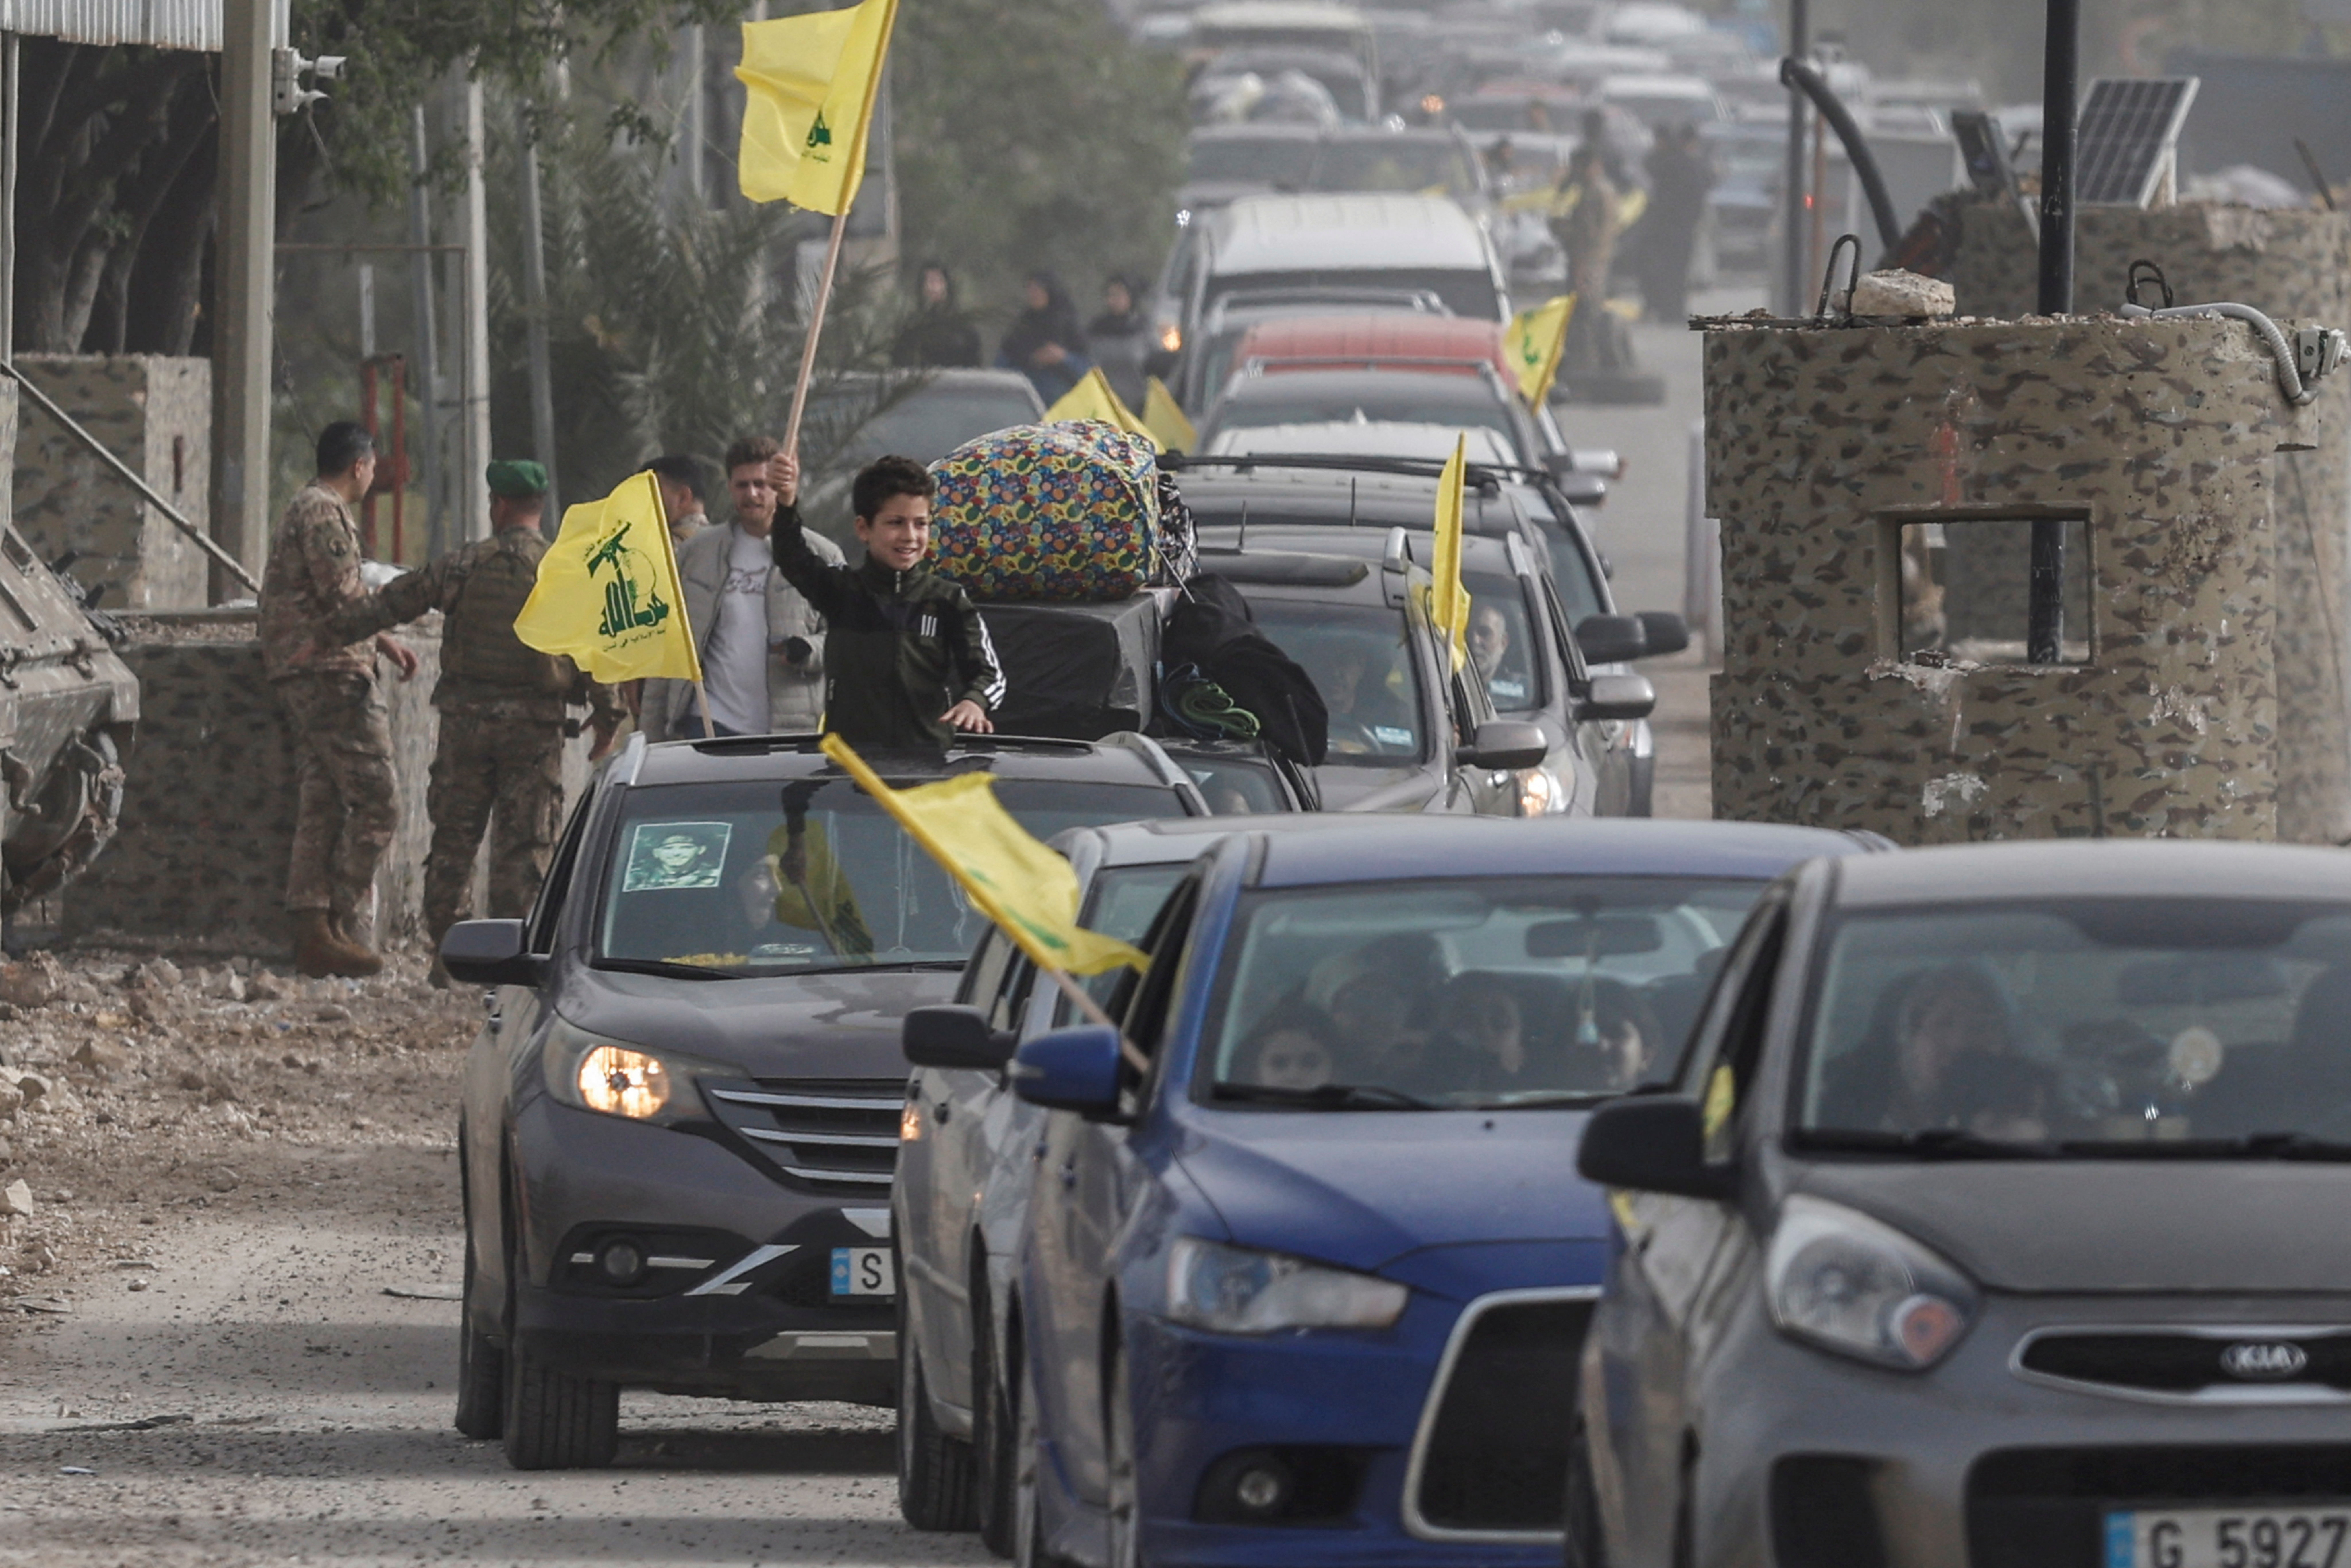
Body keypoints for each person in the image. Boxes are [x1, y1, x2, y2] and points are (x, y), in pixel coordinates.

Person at [326, 461, 621, 980]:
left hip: (466, 726)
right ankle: (511, 961)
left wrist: (332, 629)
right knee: (526, 845)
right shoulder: (568, 570)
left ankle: (450, 953)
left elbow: (398, 599)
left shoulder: (465, 564)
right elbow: (596, 647)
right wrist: (608, 714)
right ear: (540, 507)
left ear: (498, 505)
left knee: (455, 842)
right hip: (535, 729)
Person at [258, 421, 418, 979]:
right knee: (380, 802)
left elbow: (330, 601)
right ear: (360, 466)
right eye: (373, 466)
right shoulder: (324, 512)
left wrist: (382, 641)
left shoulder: (307, 507)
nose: (374, 475)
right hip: (327, 671)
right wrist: (400, 602)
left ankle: (312, 931)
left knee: (322, 798)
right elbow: (344, 599)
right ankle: (342, 920)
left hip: (307, 665)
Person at [766, 450, 1006, 749]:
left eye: (920, 524)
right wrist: (787, 502)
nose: (910, 536)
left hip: (928, 768)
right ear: (863, 529)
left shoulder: (947, 600)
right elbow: (790, 555)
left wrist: (975, 701)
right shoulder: (841, 592)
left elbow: (989, 673)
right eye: (896, 523)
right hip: (850, 767)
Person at [643, 436, 842, 741]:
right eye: (742, 485)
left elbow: (847, 640)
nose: (752, 494)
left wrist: (809, 650)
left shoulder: (821, 555)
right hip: (708, 725)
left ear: (779, 486)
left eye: (762, 484)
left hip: (788, 731)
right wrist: (650, 736)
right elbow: (668, 645)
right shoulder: (697, 553)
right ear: (729, 487)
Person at [1817, 965, 2018, 1131]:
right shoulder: (1841, 1121)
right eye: (1943, 1024)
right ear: (1907, 1042)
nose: (1959, 1044)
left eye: (1980, 1027)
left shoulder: (2038, 1110)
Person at [1638, 123, 1716, 323]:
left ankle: (1667, 309)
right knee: (1676, 270)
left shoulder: (1668, 161)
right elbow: (1707, 182)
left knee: (1667, 269)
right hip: (1680, 227)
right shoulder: (1687, 163)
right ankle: (1671, 310)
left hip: (1666, 225)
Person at [997, 271, 1090, 403]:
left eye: (1038, 289)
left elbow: (1088, 372)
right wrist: (1033, 359)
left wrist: (1063, 358)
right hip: (1027, 403)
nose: (1033, 294)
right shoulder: (1023, 326)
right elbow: (1004, 367)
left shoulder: (1068, 325)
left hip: (1064, 404)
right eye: (1030, 289)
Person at [892, 262, 984, 370]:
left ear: (947, 286)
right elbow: (901, 364)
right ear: (922, 287)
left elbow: (974, 367)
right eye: (930, 281)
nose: (935, 287)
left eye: (939, 281)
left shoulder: (963, 329)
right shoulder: (912, 328)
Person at [1085, 275, 1152, 412]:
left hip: (1139, 404)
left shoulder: (1144, 328)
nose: (1114, 300)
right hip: (1105, 402)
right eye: (1110, 296)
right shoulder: (1097, 329)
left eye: (1119, 295)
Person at [1239, 1003, 1339, 1092]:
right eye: (1279, 1063)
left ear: (1335, 1072)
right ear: (1256, 1075)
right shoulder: (1230, 1113)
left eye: (1310, 1063)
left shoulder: (1351, 1113)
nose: (1294, 1076)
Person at [646, 453, 714, 546]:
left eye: (652, 494)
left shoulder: (663, 548)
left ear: (684, 498)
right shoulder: (722, 546)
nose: (645, 504)